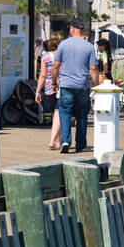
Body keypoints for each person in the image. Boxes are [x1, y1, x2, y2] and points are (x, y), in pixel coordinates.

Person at [48, 20, 101, 153]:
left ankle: (65, 140)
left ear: (72, 29)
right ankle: (81, 144)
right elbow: (94, 69)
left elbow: (56, 66)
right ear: (81, 30)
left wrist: (54, 82)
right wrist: (97, 87)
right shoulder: (89, 46)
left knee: (64, 112)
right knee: (82, 115)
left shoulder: (63, 45)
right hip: (82, 85)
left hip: (66, 85)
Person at [35, 36, 61, 150]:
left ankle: (57, 142)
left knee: (55, 114)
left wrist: (37, 91)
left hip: (49, 89)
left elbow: (42, 75)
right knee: (59, 114)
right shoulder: (62, 56)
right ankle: (52, 141)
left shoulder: (45, 57)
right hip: (61, 87)